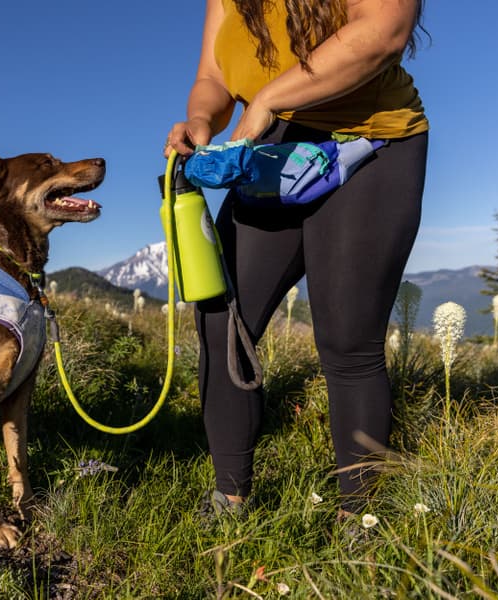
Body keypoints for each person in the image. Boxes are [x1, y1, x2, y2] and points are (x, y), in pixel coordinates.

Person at [164, 0, 428, 516]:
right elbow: (213, 77)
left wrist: (269, 97)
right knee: (222, 319)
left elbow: (383, 31)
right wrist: (200, 119)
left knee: (347, 340)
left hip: (369, 145)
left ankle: (361, 519)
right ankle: (230, 497)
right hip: (271, 154)